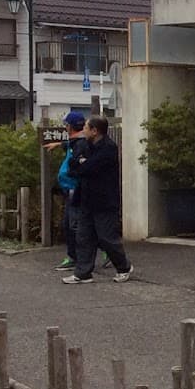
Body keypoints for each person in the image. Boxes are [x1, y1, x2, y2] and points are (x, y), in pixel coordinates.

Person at [62, 115, 134, 285]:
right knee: (83, 237)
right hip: (86, 198)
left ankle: (124, 267)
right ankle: (83, 273)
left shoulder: (109, 148)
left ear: (95, 130)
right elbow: (73, 165)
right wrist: (80, 163)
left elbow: (88, 168)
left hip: (104, 201)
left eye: (86, 127)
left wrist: (82, 163)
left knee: (106, 237)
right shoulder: (85, 145)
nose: (84, 130)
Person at [45, 110, 86, 271]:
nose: (65, 127)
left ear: (71, 126)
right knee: (72, 224)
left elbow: (80, 165)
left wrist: (70, 173)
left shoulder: (81, 144)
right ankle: (77, 256)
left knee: (74, 225)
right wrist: (58, 144)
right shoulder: (75, 142)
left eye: (67, 125)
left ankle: (77, 258)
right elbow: (69, 144)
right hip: (70, 189)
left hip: (74, 189)